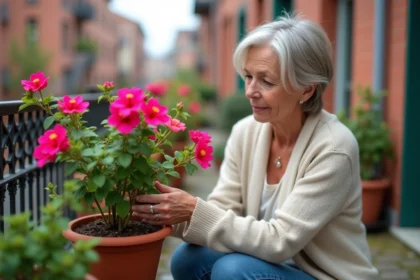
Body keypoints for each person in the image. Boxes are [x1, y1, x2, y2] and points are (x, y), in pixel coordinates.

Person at [132, 15, 379, 280]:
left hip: (324, 274)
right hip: (271, 264)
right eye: (248, 76)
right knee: (187, 259)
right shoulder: (245, 131)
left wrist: (193, 210)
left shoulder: (334, 149)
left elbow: (278, 241)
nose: (250, 90)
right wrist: (168, 213)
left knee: (232, 271)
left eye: (267, 81)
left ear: (306, 89)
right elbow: (223, 209)